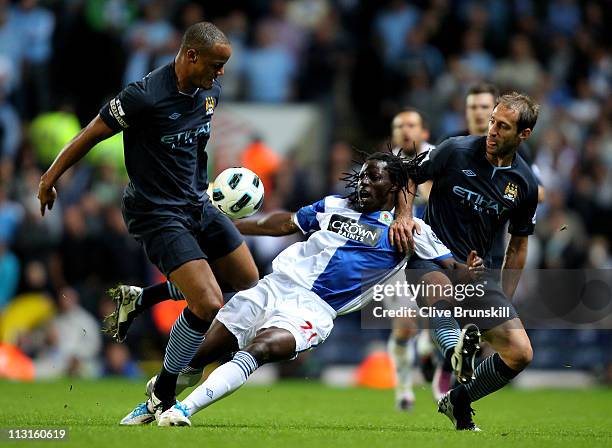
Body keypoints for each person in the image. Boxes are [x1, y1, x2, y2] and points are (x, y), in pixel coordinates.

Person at [119, 152, 484, 426]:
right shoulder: (334, 205)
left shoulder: (409, 230)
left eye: (374, 179)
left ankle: (183, 410)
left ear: (393, 188)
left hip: (314, 310)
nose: (364, 183)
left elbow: (450, 267)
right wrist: (230, 227)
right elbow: (284, 224)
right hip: (274, 287)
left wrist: (469, 271)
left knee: (261, 349)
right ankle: (158, 397)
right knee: (197, 357)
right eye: (363, 176)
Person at [37, 22, 259, 414]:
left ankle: (142, 298)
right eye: (216, 64)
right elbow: (90, 134)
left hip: (197, 203)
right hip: (157, 212)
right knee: (207, 303)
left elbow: (194, 149)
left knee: (247, 280)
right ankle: (163, 393)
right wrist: (50, 178)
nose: (221, 73)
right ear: (191, 55)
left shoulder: (210, 92)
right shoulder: (144, 96)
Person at [402, 92, 540, 431]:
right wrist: (404, 217)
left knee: (520, 353)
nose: (492, 130)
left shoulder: (524, 184)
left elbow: (518, 245)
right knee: (441, 295)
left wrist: (505, 297)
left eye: (503, 126)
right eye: (492, 121)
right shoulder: (455, 150)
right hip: (430, 255)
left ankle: (458, 400)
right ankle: (456, 357)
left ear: (523, 135)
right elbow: (407, 176)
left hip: (477, 273)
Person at [386, 108, 436, 410]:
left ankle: (429, 348)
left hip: (435, 251)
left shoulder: (439, 159)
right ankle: (404, 389)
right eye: (399, 125)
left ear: (424, 132)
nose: (406, 130)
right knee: (405, 325)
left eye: (412, 125)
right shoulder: (383, 165)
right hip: (398, 256)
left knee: (437, 314)